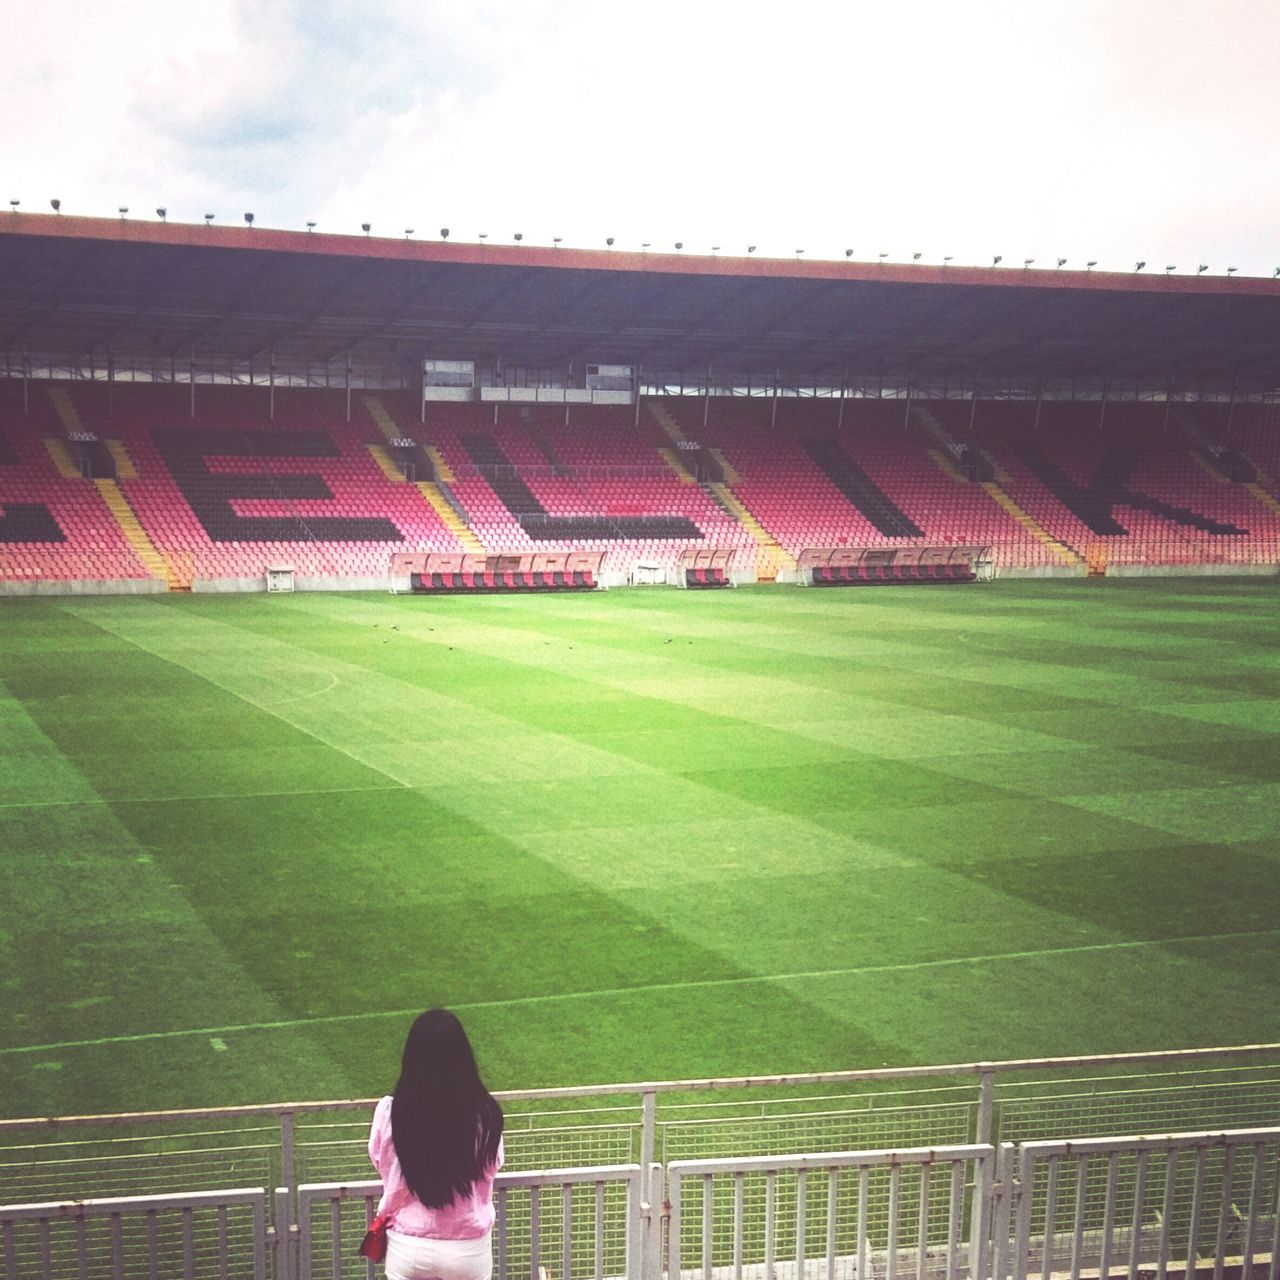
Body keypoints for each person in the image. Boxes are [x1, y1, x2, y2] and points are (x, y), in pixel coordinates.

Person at [368, 1009, 505, 1280]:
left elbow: (379, 1158)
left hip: (409, 1244)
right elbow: (493, 1164)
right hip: (468, 1247)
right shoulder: (485, 1114)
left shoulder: (391, 1111)